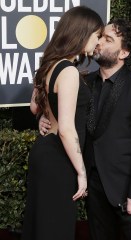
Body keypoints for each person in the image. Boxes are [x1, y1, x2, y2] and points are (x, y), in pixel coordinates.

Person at [39, 19, 131, 240]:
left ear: (123, 53)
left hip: (126, 190)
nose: (99, 42)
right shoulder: (83, 82)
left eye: (108, 39)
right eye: (100, 36)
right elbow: (63, 115)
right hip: (93, 189)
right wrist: (45, 118)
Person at [21, 6, 104, 240]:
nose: (97, 43)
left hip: (44, 151)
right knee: (56, 227)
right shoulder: (68, 72)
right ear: (82, 33)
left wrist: (44, 118)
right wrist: (81, 172)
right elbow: (67, 130)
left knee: (42, 223)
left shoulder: (50, 64)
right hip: (59, 157)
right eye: (96, 35)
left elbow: (35, 108)